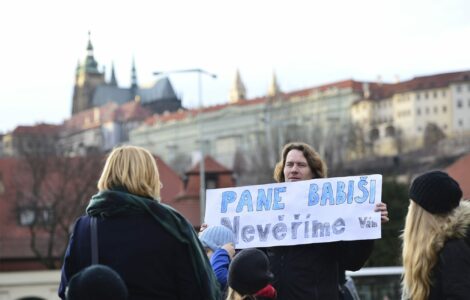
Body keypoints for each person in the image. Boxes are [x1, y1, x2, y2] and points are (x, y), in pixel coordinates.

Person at [58, 145, 221, 300]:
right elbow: (198, 291)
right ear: (151, 177)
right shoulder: (173, 226)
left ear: (107, 175)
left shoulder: (85, 227)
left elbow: (67, 290)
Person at [267, 142, 389, 300]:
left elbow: (353, 261)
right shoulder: (268, 214)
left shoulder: (331, 213)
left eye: (301, 165)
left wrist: (368, 226)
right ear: (283, 171)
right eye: (289, 164)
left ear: (314, 173)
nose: (294, 170)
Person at [401, 170, 470, 300]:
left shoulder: (453, 250)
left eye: (412, 204)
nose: (409, 209)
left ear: (421, 213)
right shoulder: (438, 249)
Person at [199, 225, 236, 292]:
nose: (200, 255)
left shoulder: (234, 281)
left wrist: (222, 252)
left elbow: (218, 279)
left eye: (205, 251)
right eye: (199, 251)